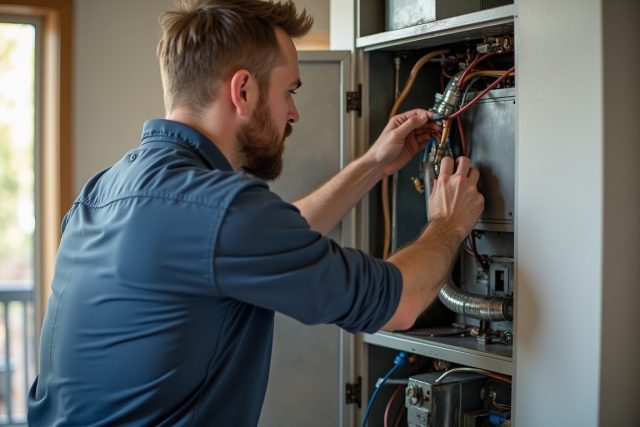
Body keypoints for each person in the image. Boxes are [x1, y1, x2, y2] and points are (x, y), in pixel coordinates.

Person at [27, 0, 484, 425]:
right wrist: (449, 223)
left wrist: (372, 166)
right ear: (243, 90)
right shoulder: (221, 209)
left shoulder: (102, 192)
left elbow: (269, 241)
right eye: (289, 91)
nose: (294, 114)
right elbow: (399, 304)